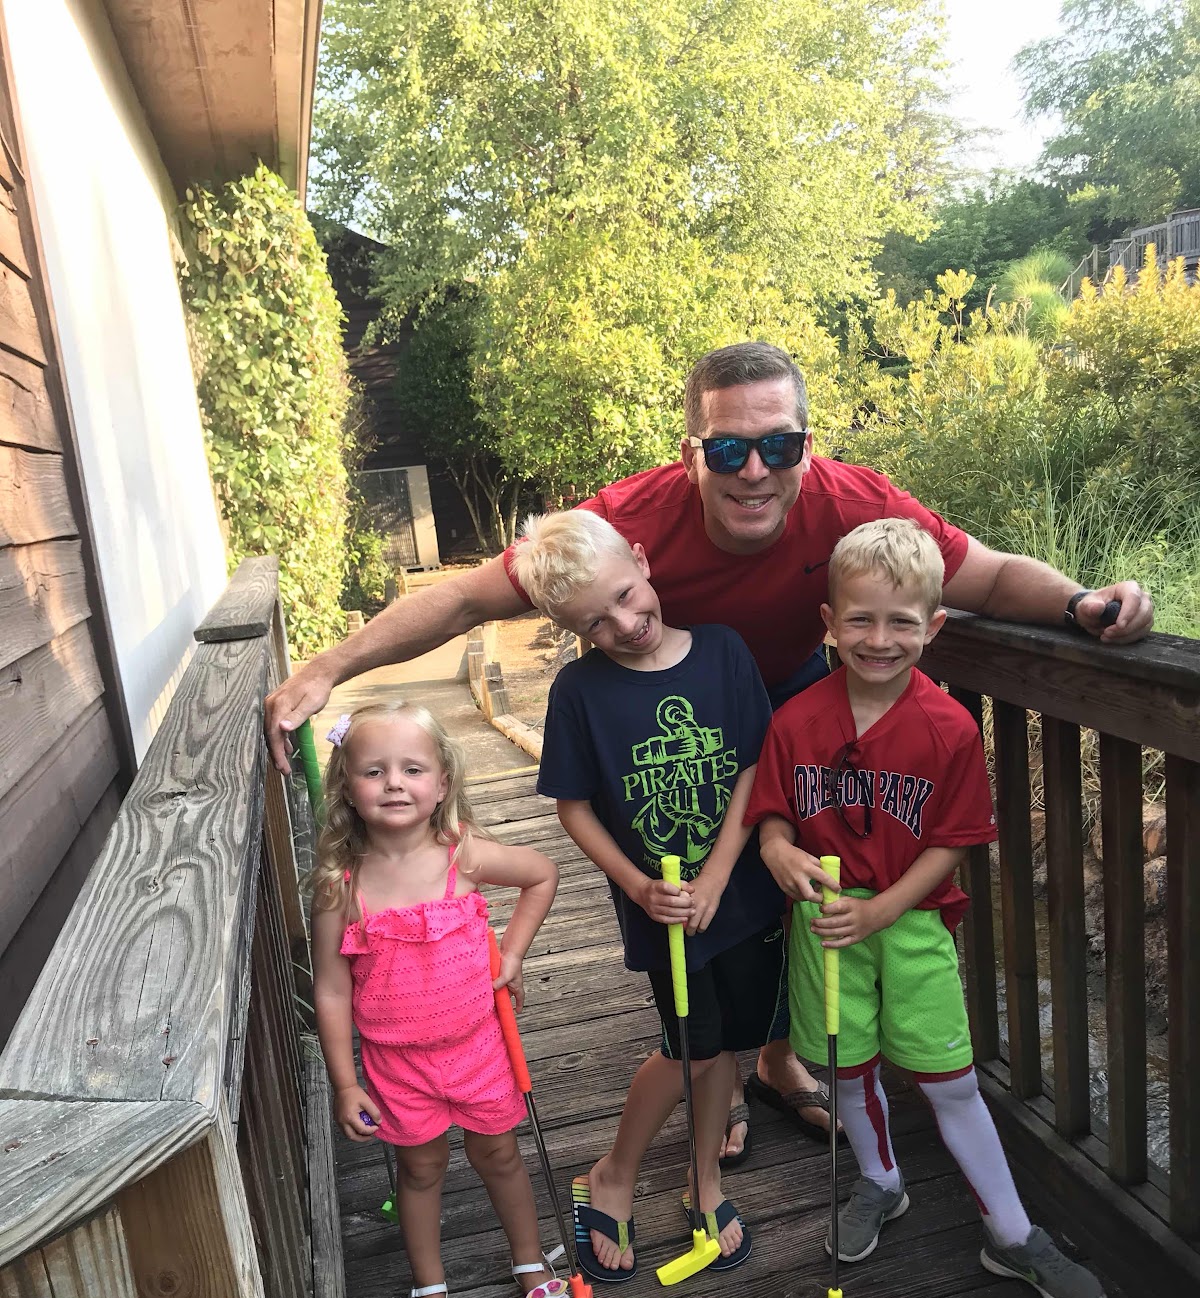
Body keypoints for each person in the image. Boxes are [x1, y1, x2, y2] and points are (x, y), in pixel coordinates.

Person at [266, 341, 1154, 1155]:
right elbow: (464, 599)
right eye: (728, 449)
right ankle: (715, 1077)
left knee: (788, 877)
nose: (755, 470)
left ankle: (774, 1058)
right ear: (691, 453)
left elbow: (985, 576)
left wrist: (1079, 602)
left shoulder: (855, 503)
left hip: (791, 697)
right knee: (692, 884)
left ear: (807, 445)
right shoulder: (628, 522)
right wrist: (328, 668)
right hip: (677, 712)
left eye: (779, 445)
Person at [744, 519, 1107, 1298]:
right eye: (860, 620)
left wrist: (882, 910)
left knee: (951, 1082)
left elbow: (952, 843)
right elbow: (772, 813)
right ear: (829, 623)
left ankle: (1011, 1234)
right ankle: (881, 1181)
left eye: (901, 622)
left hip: (908, 925)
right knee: (846, 1067)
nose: (879, 640)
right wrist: (775, 848)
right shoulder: (795, 719)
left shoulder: (949, 728)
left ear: (933, 626)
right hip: (823, 928)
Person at [512, 508, 784, 1278]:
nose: (626, 625)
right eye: (595, 624)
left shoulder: (724, 653)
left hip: (740, 894)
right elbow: (573, 807)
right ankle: (614, 1173)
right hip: (662, 914)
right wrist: (636, 885)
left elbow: (752, 768)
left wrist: (719, 873)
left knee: (725, 1046)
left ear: (642, 559)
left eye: (627, 596)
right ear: (570, 630)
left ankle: (704, 1182)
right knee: (688, 1048)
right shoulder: (579, 692)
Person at [311, 697, 570, 1298]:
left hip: (479, 1049)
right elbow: (332, 989)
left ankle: (529, 1259)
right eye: (374, 771)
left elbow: (541, 875)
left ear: (442, 782)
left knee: (499, 1155)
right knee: (420, 1169)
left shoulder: (463, 857)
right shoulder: (341, 886)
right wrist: (345, 1083)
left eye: (412, 769)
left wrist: (511, 956)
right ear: (346, 785)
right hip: (397, 1065)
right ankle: (429, 1286)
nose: (394, 783)